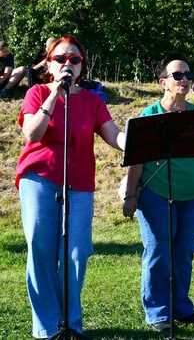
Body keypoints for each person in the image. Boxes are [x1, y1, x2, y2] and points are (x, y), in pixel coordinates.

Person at [15, 35, 125, 338]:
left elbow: (114, 136)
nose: (68, 64)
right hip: (39, 179)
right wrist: (54, 95)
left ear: (82, 66)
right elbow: (32, 134)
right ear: (49, 63)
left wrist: (142, 142)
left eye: (74, 59)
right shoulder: (37, 93)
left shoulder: (92, 101)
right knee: (41, 250)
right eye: (61, 58)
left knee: (76, 253)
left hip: (79, 184)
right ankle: (47, 328)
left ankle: (71, 324)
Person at [122, 54, 194, 332]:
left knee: (184, 252)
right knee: (159, 251)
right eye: (177, 75)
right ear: (163, 82)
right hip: (156, 192)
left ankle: (181, 307)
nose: (184, 80)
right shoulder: (148, 116)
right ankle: (158, 312)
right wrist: (130, 195)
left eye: (188, 74)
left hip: (192, 194)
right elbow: (135, 159)